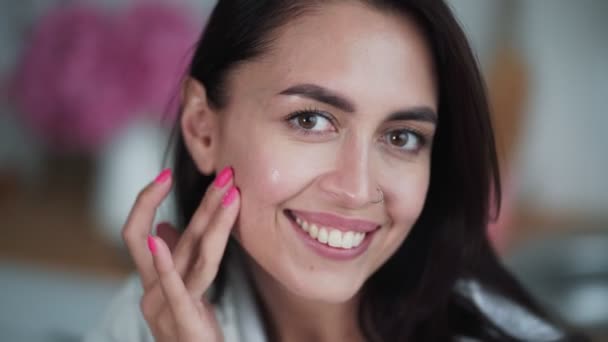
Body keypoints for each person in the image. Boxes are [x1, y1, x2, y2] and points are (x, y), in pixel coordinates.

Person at [85, 0, 588, 341]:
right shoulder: (146, 321)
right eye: (310, 120)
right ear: (201, 129)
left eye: (402, 136)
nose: (357, 189)